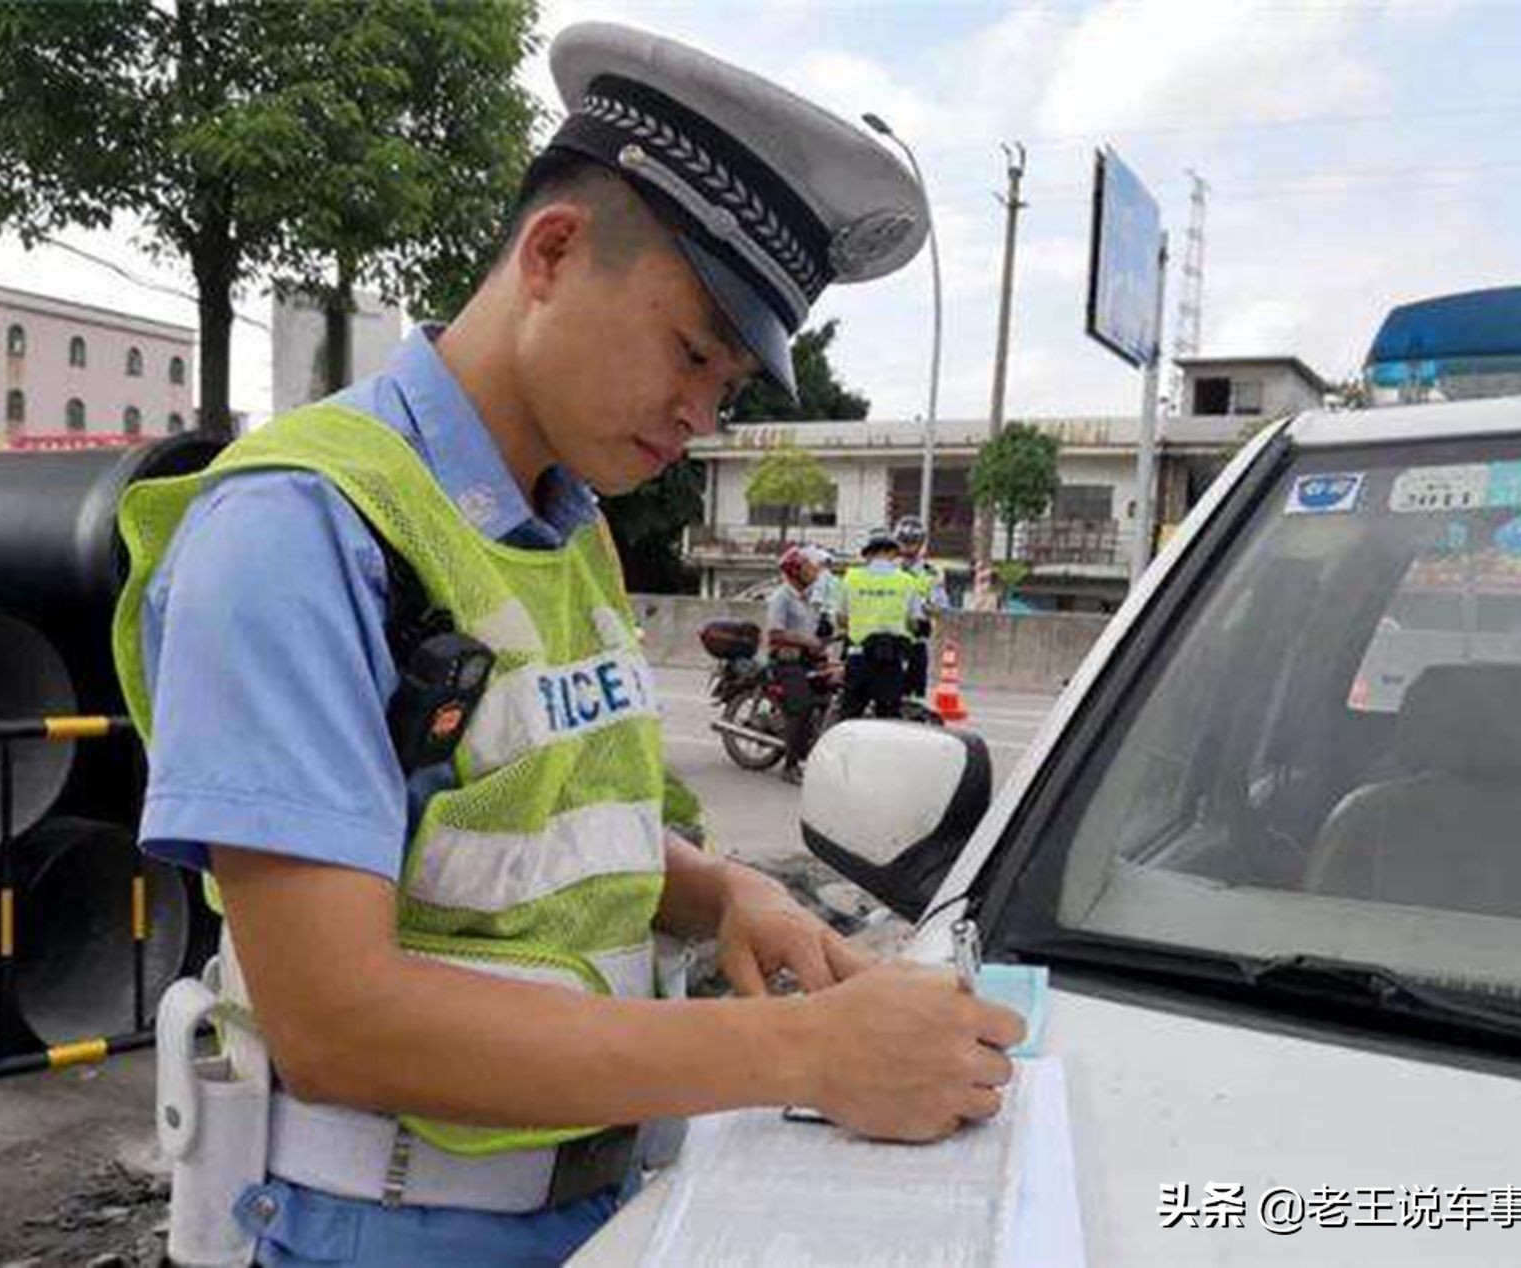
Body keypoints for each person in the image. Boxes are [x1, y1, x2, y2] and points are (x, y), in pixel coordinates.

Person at [111, 21, 1023, 1267]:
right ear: (551, 252)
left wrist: (723, 892)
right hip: (378, 1227)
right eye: (690, 351)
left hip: (604, 1202)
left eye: (727, 385)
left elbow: (542, 827)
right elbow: (337, 1020)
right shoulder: (297, 527)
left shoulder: (568, 525)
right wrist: (807, 1050)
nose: (698, 414)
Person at [840, 529, 924, 720]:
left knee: (849, 718)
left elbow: (841, 618)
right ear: (892, 552)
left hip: (858, 659)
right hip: (890, 662)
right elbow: (914, 623)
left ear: (868, 553)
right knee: (887, 721)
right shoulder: (906, 581)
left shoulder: (851, 578)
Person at [765, 546, 828, 784]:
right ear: (795, 572)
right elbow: (775, 633)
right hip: (787, 661)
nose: (813, 572)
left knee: (828, 698)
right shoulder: (781, 597)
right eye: (807, 568)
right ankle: (790, 766)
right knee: (801, 708)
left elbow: (812, 631)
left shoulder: (808, 597)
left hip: (807, 660)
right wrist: (807, 641)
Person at [894, 514, 945, 702]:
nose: (909, 547)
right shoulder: (888, 569)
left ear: (921, 543)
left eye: (913, 541)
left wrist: (921, 605)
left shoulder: (931, 573)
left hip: (916, 641)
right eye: (905, 541)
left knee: (914, 699)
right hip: (889, 638)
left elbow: (939, 607)